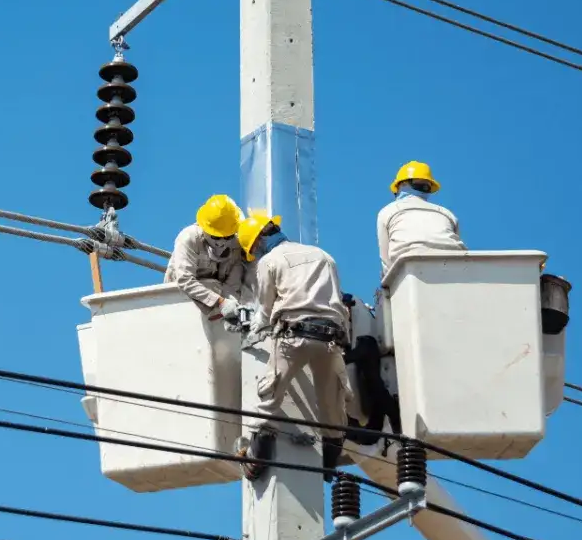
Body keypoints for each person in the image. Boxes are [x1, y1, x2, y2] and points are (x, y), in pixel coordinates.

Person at [241, 230, 353, 479]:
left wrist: (256, 327)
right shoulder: (323, 256)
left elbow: (265, 308)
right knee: (332, 407)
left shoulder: (269, 261)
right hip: (330, 339)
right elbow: (337, 299)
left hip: (294, 336)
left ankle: (257, 460)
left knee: (270, 397)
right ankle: (329, 465)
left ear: (258, 242)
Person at [165, 194, 245, 324]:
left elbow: (232, 285)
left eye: (228, 237)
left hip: (216, 299)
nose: (222, 242)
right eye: (216, 237)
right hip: (179, 297)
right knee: (213, 285)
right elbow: (184, 279)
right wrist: (220, 301)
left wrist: (233, 305)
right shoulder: (189, 238)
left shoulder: (235, 246)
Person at [377, 161, 466, 276]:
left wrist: (389, 283)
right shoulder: (446, 213)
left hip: (410, 270)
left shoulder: (388, 210)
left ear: (402, 185)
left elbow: (386, 262)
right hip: (456, 266)